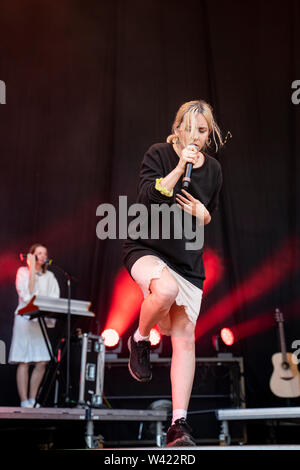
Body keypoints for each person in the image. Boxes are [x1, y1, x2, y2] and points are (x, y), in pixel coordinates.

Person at [122, 100, 223, 446]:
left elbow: (210, 213)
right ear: (177, 127)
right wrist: (180, 167)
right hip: (146, 247)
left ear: (208, 134)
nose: (194, 136)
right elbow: (148, 197)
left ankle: (178, 425)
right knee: (162, 290)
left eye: (202, 130)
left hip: (187, 261)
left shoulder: (213, 170)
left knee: (184, 339)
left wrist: (204, 215)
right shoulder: (159, 154)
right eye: (189, 127)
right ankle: (139, 338)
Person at [8, 243, 60, 407]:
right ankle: (24, 401)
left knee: (42, 361)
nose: (43, 256)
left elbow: (54, 297)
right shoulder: (23, 272)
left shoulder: (50, 276)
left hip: (40, 321)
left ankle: (33, 398)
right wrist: (31, 269)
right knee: (23, 361)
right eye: (39, 253)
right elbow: (26, 294)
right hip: (24, 320)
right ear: (31, 256)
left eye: (44, 253)